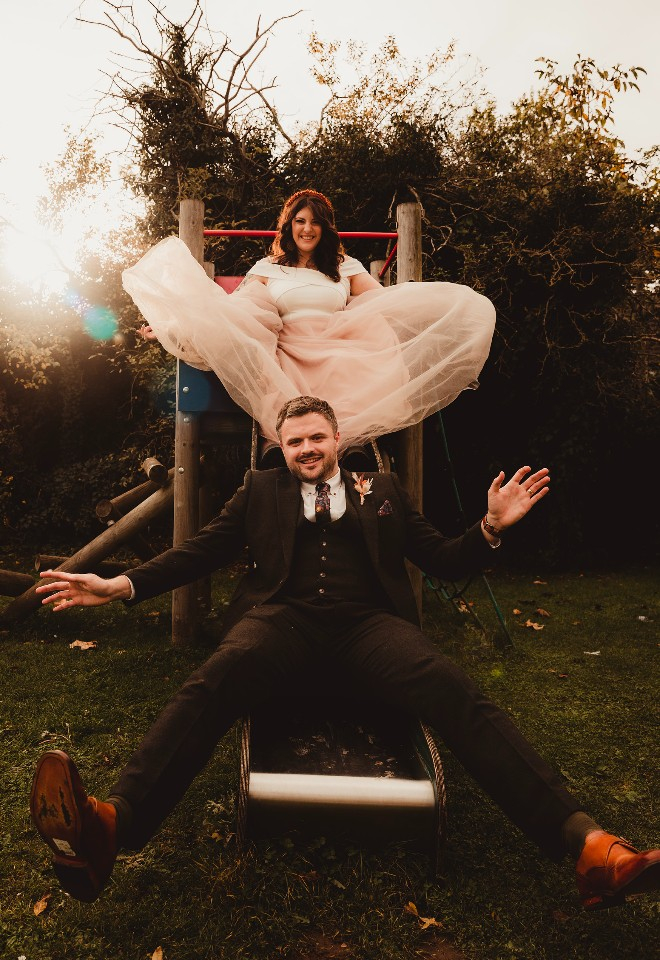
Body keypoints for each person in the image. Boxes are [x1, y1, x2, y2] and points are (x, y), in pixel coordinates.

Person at [32, 396, 659, 909]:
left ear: (337, 439)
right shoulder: (259, 491)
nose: (306, 449)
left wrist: (490, 528)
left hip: (369, 627)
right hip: (281, 621)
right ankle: (112, 826)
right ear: (281, 447)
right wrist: (121, 583)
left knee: (451, 686)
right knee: (215, 677)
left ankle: (588, 847)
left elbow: (442, 558)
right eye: (294, 441)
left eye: (317, 438)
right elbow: (201, 551)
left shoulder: (380, 488)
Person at [122, 190, 495, 452]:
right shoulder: (268, 268)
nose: (307, 229)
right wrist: (175, 325)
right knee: (286, 388)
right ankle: (285, 450)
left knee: (357, 359)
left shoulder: (345, 267)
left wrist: (432, 310)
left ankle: (350, 451)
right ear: (290, 225)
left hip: (340, 344)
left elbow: (384, 302)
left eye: (315, 223)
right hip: (292, 347)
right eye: (300, 221)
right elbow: (236, 311)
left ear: (325, 228)